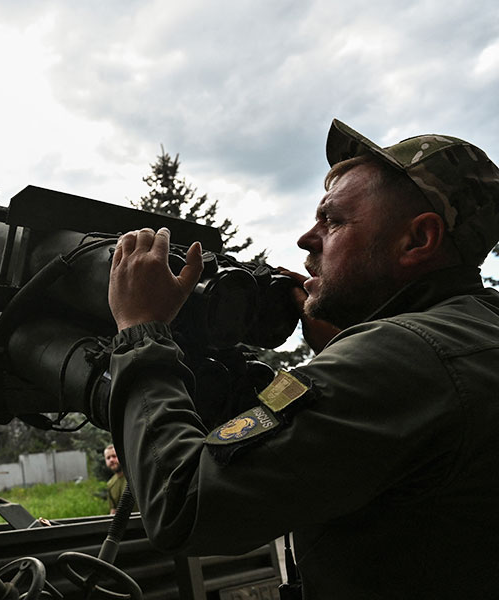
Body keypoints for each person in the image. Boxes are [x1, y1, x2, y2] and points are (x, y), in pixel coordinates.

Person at [101, 119, 499, 598]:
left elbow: (183, 505)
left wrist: (141, 330)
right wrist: (338, 349)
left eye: (333, 221)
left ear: (418, 240)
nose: (307, 239)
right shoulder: (472, 331)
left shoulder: (404, 356)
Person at [103, 444, 125, 514]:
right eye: (108, 458)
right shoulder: (110, 484)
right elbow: (113, 510)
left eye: (114, 456)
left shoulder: (134, 475)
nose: (111, 460)